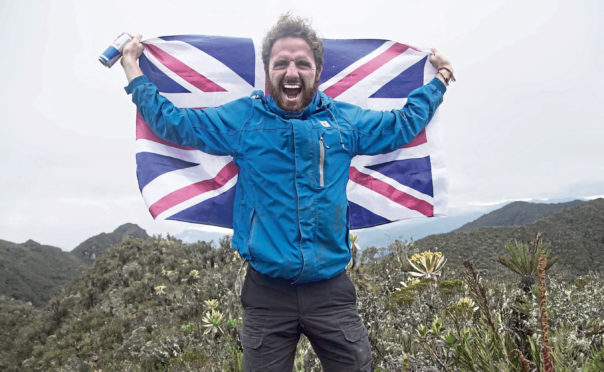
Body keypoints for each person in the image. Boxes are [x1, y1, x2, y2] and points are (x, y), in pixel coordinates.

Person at [121, 14, 453, 372]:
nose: (291, 72)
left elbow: (401, 125)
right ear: (268, 71)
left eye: (302, 64)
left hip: (331, 292)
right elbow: (175, 123)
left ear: (317, 70)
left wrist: (441, 81)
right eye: (281, 63)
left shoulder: (344, 121)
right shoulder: (244, 119)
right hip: (267, 295)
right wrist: (132, 70)